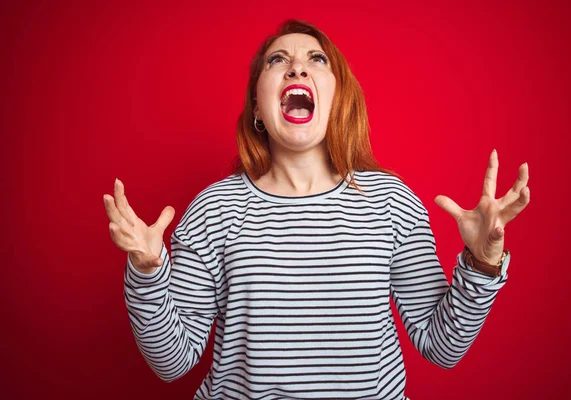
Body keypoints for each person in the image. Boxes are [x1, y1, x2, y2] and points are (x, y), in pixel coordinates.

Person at [103, 19, 530, 400]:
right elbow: (172, 363)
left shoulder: (391, 202)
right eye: (277, 60)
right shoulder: (214, 209)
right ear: (257, 107)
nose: (297, 67)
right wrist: (147, 270)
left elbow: (442, 347)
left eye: (316, 59)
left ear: (337, 97)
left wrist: (482, 263)